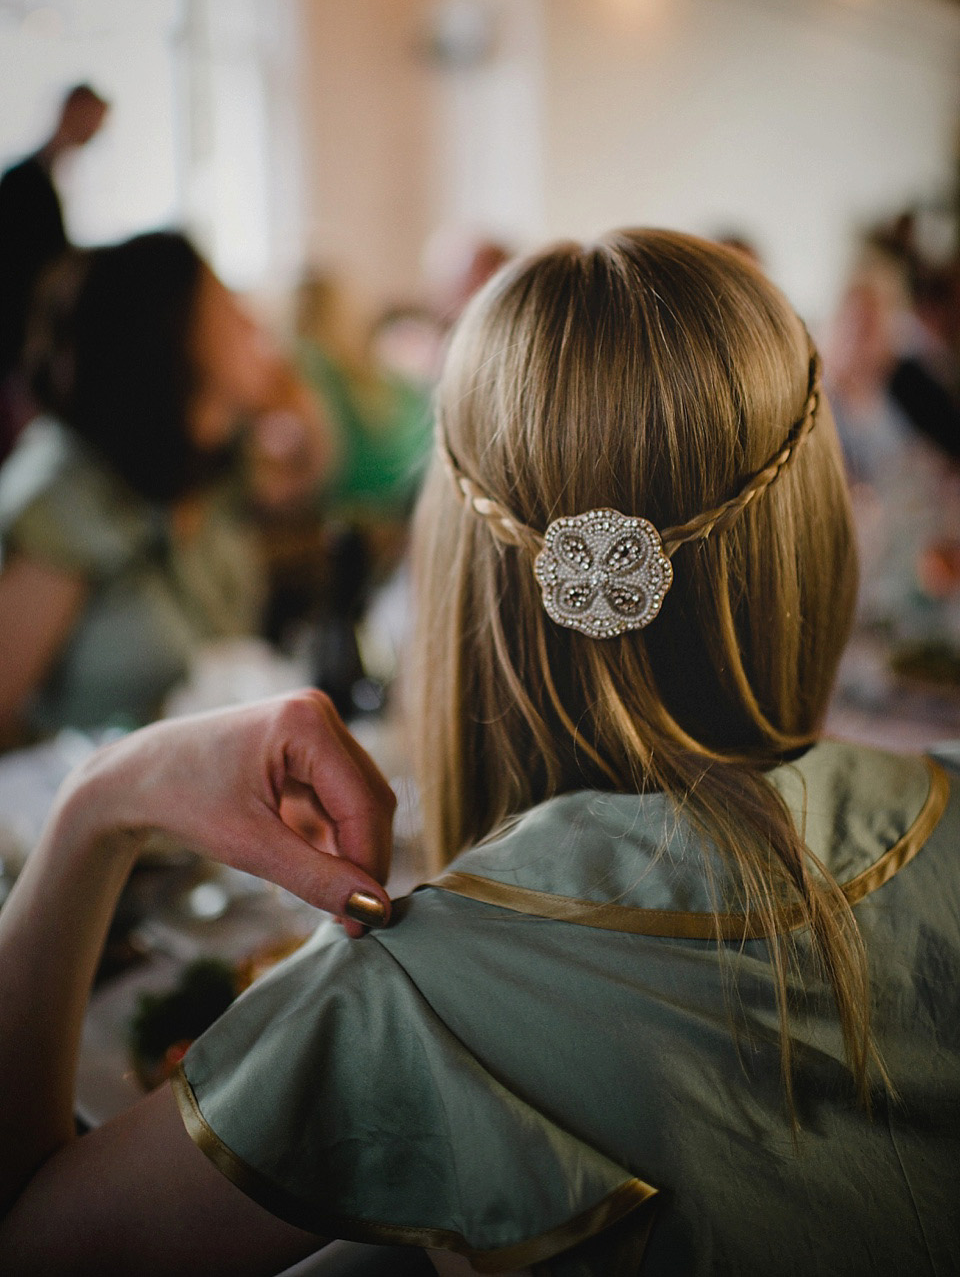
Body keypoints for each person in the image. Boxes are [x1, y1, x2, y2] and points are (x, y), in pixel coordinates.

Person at [0, 231, 958, 1276]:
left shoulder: (405, 999)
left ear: (460, 565)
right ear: (814, 531)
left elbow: (30, 1234)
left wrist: (100, 801)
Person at [0, 231, 285, 736]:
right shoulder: (66, 493)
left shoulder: (210, 471)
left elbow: (313, 471)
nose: (250, 323)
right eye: (224, 305)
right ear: (168, 329)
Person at [0, 84, 109, 458]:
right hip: (16, 343)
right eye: (92, 122)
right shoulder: (25, 184)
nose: (95, 135)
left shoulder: (46, 180)